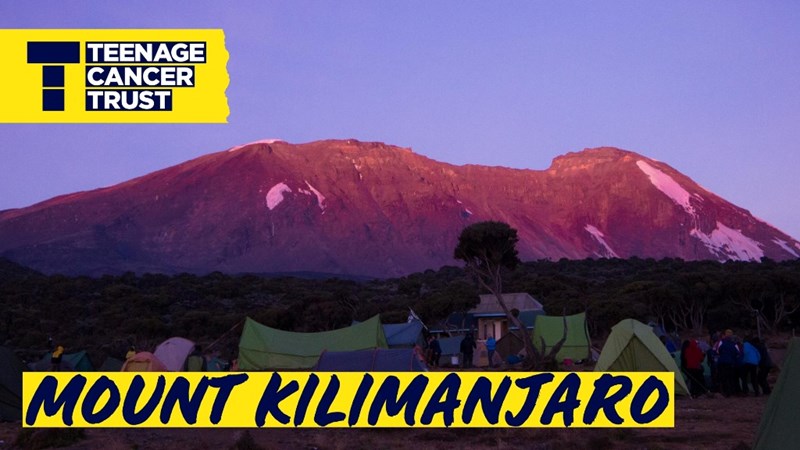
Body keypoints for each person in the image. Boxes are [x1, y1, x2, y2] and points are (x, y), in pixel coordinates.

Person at [715, 330, 740, 397]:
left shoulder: (721, 343)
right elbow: (737, 353)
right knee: (730, 377)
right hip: (731, 362)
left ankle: (725, 392)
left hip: (722, 362)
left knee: (723, 377)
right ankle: (731, 391)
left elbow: (717, 351)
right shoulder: (734, 344)